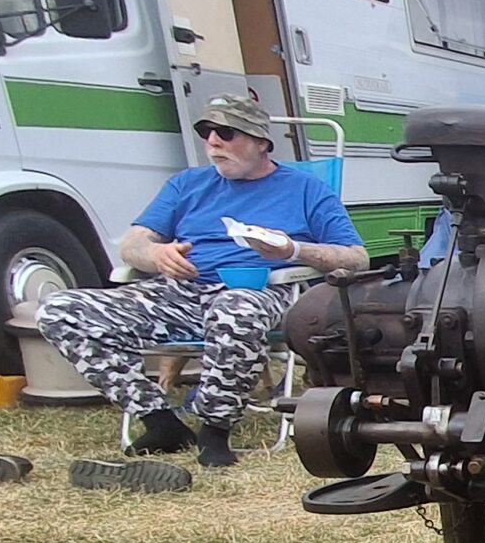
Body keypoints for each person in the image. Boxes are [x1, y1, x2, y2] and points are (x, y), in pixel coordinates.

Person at [37, 94, 367, 469]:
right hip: (180, 293)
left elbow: (356, 258)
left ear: (261, 141)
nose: (213, 142)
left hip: (260, 290)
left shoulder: (305, 189)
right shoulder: (187, 184)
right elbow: (133, 243)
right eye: (206, 132)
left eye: (226, 133)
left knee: (236, 310)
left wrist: (293, 250)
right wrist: (156, 255)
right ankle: (159, 420)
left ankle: (215, 427)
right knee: (60, 310)